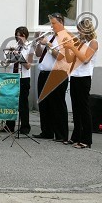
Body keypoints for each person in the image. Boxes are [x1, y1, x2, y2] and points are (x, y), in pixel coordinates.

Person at [33, 12, 70, 142]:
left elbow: (60, 56)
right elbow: (38, 54)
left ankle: (61, 134)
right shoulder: (51, 37)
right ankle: (47, 131)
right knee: (44, 104)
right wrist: (38, 43)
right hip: (44, 73)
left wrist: (47, 44)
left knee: (57, 104)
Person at [64, 18, 99, 149]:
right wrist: (67, 48)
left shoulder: (93, 42)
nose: (79, 33)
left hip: (84, 77)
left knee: (84, 108)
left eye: (80, 30)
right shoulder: (81, 42)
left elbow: (85, 59)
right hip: (75, 75)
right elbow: (69, 59)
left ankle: (86, 140)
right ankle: (75, 137)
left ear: (86, 29)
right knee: (76, 108)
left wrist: (72, 46)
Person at [3, 26, 34, 134]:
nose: (18, 38)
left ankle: (25, 126)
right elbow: (9, 62)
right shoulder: (16, 46)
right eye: (17, 35)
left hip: (23, 78)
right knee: (10, 102)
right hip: (12, 76)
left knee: (23, 103)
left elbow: (28, 65)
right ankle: (9, 126)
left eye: (20, 35)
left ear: (25, 36)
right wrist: (9, 56)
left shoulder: (30, 47)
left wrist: (19, 56)